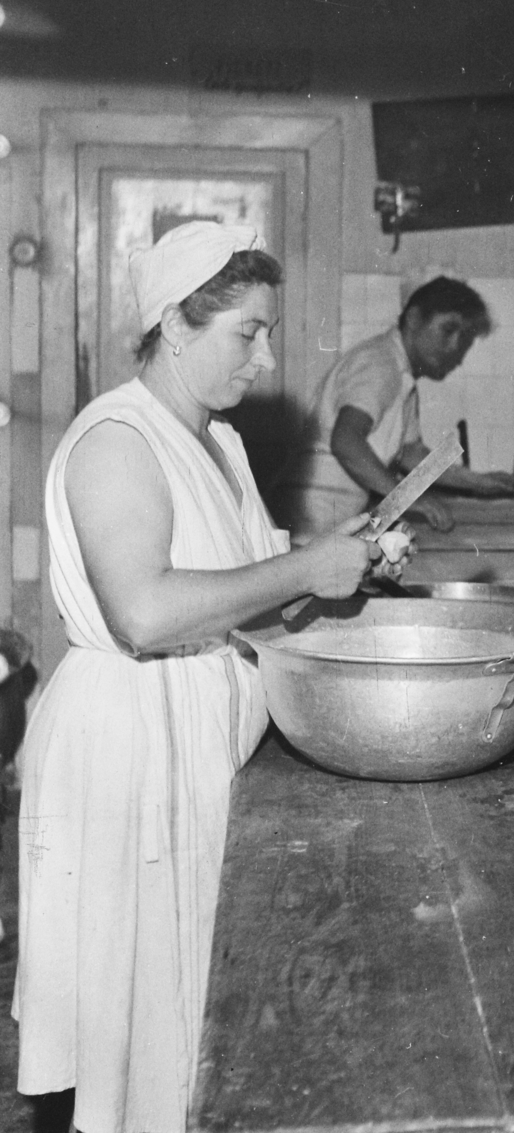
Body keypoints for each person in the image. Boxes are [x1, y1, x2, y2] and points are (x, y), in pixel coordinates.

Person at [13, 221, 386, 1132]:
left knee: (181, 1017)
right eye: (245, 333)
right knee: (130, 1023)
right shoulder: (116, 440)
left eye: (266, 332)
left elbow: (242, 599)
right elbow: (143, 613)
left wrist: (339, 563)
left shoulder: (217, 443)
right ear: (176, 327)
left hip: (190, 750)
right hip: (125, 754)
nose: (263, 360)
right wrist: (303, 572)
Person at [270, 276, 514, 540]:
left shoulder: (400, 371)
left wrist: (477, 482)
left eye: (462, 338)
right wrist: (409, 499)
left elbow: (411, 454)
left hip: (326, 522)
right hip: (306, 523)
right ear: (414, 319)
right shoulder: (380, 364)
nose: (454, 348)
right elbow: (345, 441)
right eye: (448, 330)